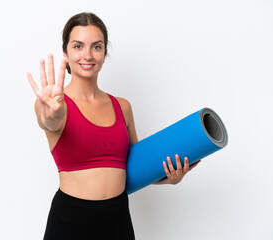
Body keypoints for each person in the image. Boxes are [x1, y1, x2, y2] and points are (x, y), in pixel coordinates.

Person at [27, 12, 200, 240]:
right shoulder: (53, 106)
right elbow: (49, 120)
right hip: (71, 221)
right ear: (65, 53)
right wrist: (52, 113)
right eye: (78, 46)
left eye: (96, 47)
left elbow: (135, 166)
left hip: (117, 219)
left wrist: (169, 177)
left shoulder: (122, 107)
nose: (87, 55)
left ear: (104, 53)